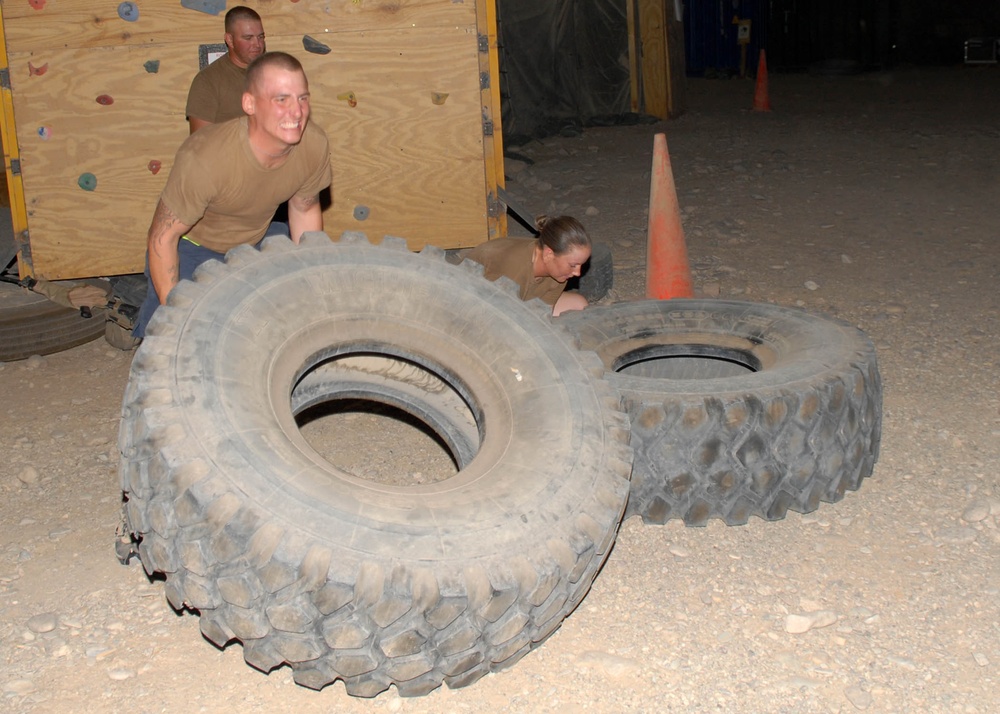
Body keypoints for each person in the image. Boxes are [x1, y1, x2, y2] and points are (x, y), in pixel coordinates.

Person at [132, 51, 332, 338]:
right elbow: (163, 238)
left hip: (255, 238)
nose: (296, 112)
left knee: (287, 319)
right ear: (249, 103)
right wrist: (176, 317)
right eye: (281, 100)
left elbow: (304, 211)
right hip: (193, 247)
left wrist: (311, 285)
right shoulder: (205, 157)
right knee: (169, 338)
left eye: (302, 98)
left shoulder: (313, 144)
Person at [464, 215, 592, 316]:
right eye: (573, 265)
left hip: (518, 303)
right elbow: (500, 315)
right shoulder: (512, 264)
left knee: (579, 304)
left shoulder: (559, 273)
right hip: (472, 302)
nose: (578, 273)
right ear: (548, 254)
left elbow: (544, 313)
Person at [185, 6, 266, 134]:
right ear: (229, 40)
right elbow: (199, 143)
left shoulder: (273, 74)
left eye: (261, 37)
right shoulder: (208, 81)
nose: (257, 44)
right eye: (248, 38)